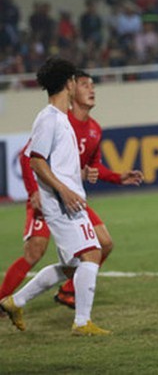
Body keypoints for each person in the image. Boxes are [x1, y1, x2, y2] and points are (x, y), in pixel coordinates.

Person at [0, 71, 144, 310]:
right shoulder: (57, 120)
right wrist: (33, 190)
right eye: (85, 85)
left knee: (104, 243)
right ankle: (3, 299)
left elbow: (93, 167)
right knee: (35, 251)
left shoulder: (94, 129)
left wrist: (118, 177)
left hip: (70, 199)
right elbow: (30, 158)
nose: (92, 89)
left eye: (93, 85)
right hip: (47, 195)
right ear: (71, 90)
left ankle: (69, 291)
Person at [0, 58, 109, 335]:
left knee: (70, 265)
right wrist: (63, 190)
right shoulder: (49, 118)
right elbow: (35, 160)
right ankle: (82, 322)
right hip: (62, 203)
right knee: (93, 252)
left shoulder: (59, 118)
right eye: (77, 80)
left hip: (68, 199)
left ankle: (15, 301)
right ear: (69, 84)